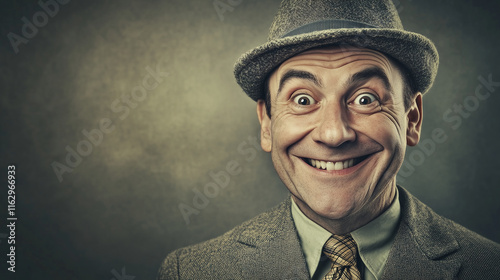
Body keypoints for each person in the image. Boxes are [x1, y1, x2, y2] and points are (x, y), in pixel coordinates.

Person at [157, 0, 500, 279]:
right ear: (266, 123)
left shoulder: (489, 268)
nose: (334, 134)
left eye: (365, 99)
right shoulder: (191, 272)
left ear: (412, 119)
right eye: (303, 100)